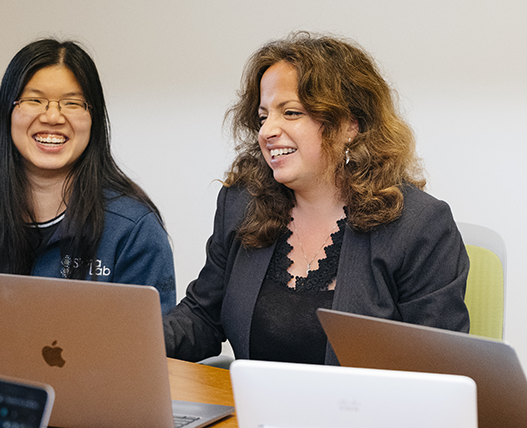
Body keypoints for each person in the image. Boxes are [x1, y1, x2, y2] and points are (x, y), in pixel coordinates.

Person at [163, 31, 469, 365]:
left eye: (290, 113)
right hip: (257, 413)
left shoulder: (419, 226)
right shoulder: (241, 204)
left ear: (349, 125)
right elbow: (203, 317)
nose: (267, 131)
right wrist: (130, 341)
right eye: (264, 116)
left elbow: (438, 370)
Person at [0, 39, 176, 313]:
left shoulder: (133, 228)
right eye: (34, 100)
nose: (52, 117)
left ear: (94, 119)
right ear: (8, 111)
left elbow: (145, 346)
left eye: (72, 103)